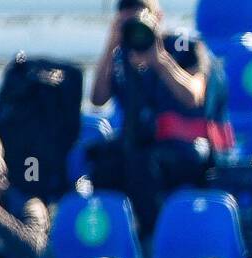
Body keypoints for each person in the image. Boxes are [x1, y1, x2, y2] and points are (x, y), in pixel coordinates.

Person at [88, 0, 232, 236]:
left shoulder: (184, 46)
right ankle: (116, 239)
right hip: (141, 146)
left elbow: (195, 95)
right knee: (101, 161)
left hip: (191, 148)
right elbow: (97, 98)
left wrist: (160, 60)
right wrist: (112, 43)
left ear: (159, 16)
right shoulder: (123, 56)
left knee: (143, 163)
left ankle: (152, 239)